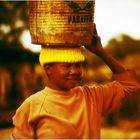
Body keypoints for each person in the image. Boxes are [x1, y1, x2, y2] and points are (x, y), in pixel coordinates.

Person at [11, 25, 139, 139]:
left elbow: (130, 84)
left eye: (78, 65)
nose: (74, 71)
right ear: (48, 69)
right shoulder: (32, 106)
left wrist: (100, 52)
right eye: (67, 66)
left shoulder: (92, 97)